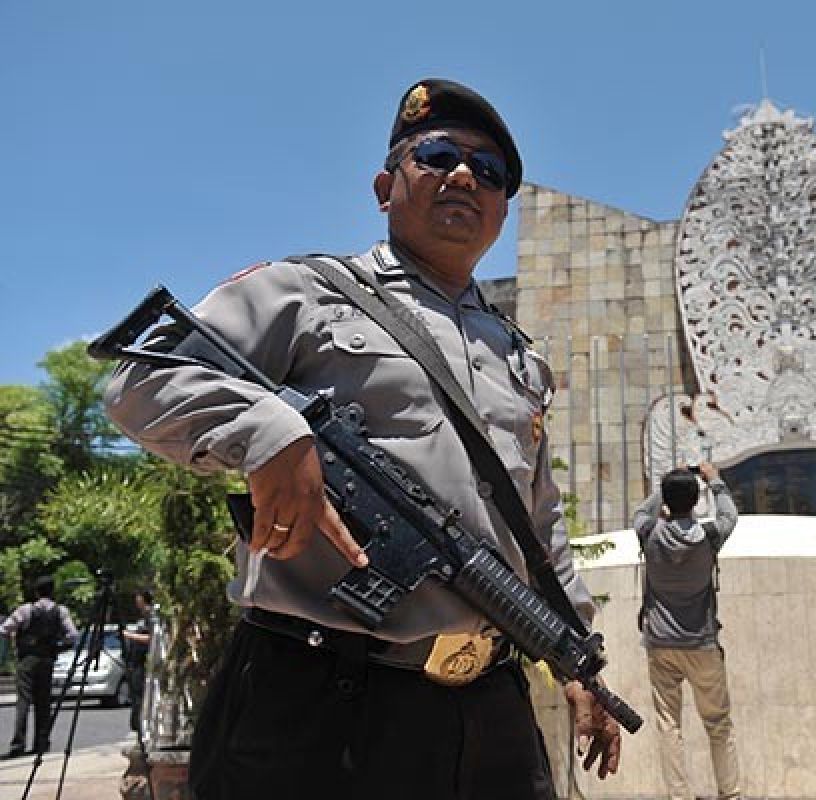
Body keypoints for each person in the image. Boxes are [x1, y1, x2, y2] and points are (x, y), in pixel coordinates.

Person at [103, 78, 619, 799]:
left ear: (504, 208)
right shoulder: (308, 292)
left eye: (490, 170)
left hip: (490, 704)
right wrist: (266, 431)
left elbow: (538, 528)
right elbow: (138, 383)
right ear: (385, 187)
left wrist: (579, 662)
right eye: (437, 156)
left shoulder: (518, 357)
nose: (465, 175)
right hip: (320, 697)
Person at [634, 463, 741, 800]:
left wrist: (665, 485)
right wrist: (714, 480)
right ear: (697, 501)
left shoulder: (649, 533)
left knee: (669, 722)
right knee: (718, 724)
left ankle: (679, 796)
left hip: (660, 643)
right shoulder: (709, 537)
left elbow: (641, 511)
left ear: (667, 500)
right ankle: (730, 794)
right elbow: (730, 516)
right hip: (702, 642)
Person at [1, 575, 79, 758]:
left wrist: (15, 640)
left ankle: (18, 744)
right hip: (47, 659)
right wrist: (58, 644)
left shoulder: (26, 610)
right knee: (44, 703)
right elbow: (73, 635)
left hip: (27, 659)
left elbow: (4, 629)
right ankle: (41, 742)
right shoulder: (61, 612)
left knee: (24, 702)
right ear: (53, 592)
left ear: (36, 592)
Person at [121, 589, 154, 733]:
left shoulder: (150, 615)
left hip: (143, 662)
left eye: (138, 597)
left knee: (140, 695)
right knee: (135, 695)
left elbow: (152, 638)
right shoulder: (143, 617)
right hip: (135, 662)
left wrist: (129, 635)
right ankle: (137, 724)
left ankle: (141, 725)